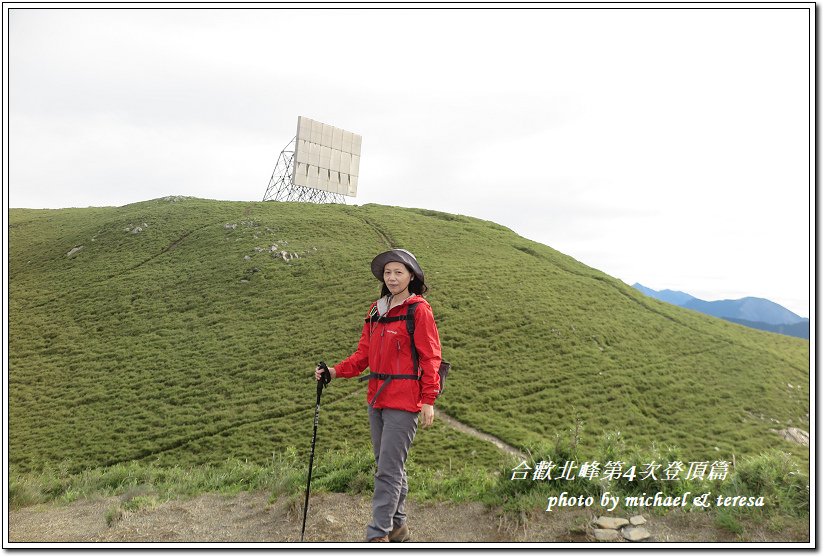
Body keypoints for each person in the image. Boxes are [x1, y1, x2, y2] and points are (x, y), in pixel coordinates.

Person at [314, 248, 442, 542]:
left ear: (412, 276)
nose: (393, 277)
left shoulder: (418, 310)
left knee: (388, 469)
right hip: (377, 398)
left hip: (405, 399)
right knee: (389, 464)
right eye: (388, 272)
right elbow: (363, 356)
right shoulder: (375, 310)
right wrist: (334, 371)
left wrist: (428, 400)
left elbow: (431, 357)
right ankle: (398, 527)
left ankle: (378, 534)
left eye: (399, 272)